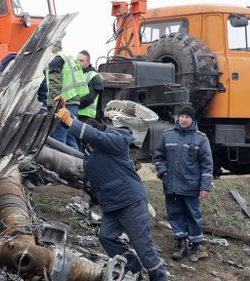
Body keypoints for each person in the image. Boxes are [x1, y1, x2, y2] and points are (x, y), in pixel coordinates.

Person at [55, 97, 167, 281]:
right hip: (112, 204)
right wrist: (64, 113)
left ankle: (160, 278)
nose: (86, 143)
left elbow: (95, 135)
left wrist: (71, 121)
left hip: (130, 201)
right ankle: (133, 267)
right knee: (107, 237)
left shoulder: (117, 139)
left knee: (143, 247)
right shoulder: (91, 153)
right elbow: (86, 136)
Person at [153, 105, 213, 262]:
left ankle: (195, 247)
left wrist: (205, 186)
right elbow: (158, 157)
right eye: (182, 116)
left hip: (191, 186)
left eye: (187, 117)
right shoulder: (167, 136)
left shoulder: (201, 138)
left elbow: (207, 165)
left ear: (192, 120)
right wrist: (163, 172)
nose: (184, 119)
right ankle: (181, 246)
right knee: (175, 214)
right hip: (171, 185)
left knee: (193, 216)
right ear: (178, 118)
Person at [47, 41, 88, 150]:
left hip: (64, 103)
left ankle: (58, 166)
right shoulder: (68, 58)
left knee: (58, 139)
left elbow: (54, 81)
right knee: (70, 137)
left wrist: (56, 103)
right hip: (73, 101)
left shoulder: (56, 59)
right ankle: (78, 163)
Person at [76, 50, 104, 122]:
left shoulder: (94, 76)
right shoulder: (75, 75)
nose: (78, 62)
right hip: (73, 112)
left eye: (81, 61)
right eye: (77, 60)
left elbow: (89, 98)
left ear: (88, 63)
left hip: (85, 116)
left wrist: (73, 105)